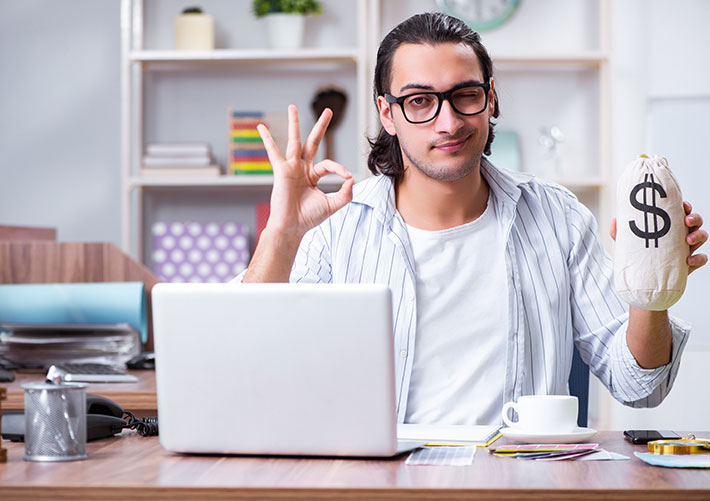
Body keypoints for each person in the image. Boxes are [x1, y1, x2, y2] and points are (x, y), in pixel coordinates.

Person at [241, 12, 707, 425]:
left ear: (491, 101)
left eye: (465, 95)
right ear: (388, 113)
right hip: (377, 483)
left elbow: (640, 388)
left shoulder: (558, 217)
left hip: (521, 481)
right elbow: (249, 365)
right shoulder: (338, 226)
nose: (448, 122)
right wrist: (281, 232)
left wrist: (652, 285)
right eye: (420, 101)